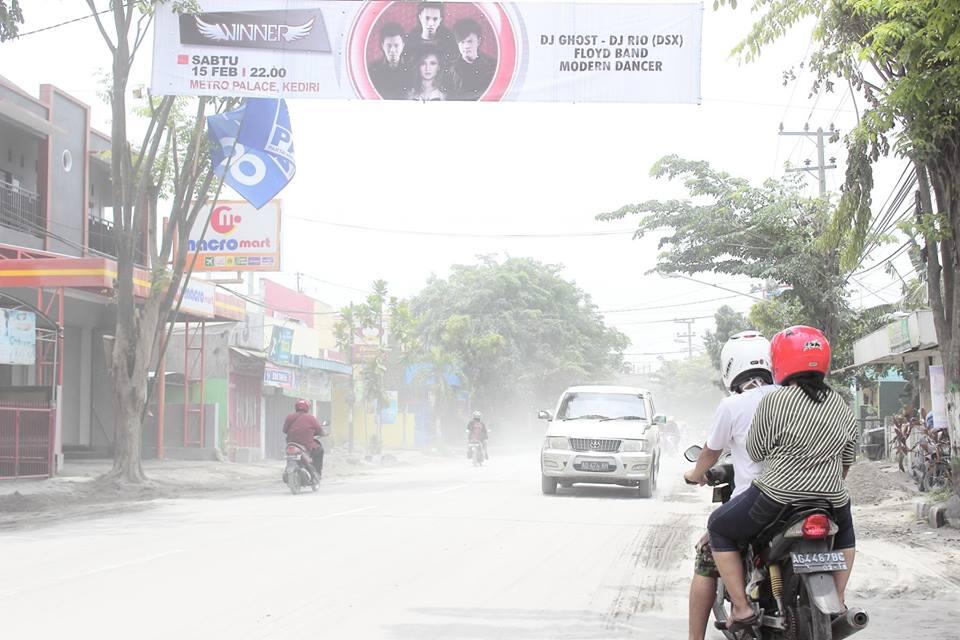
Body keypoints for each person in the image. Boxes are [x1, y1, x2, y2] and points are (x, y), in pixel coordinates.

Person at [707, 326, 859, 631]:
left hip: (776, 497)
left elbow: (756, 450)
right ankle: (838, 600)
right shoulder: (839, 403)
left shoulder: (774, 401)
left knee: (718, 527)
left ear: (779, 362)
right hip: (830, 498)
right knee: (846, 535)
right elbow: (847, 458)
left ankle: (740, 607)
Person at [683, 331, 777, 640]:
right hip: (805, 499)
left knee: (709, 550)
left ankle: (734, 612)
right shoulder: (791, 397)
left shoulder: (732, 405)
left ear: (730, 367)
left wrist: (695, 474)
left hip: (757, 501)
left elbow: (711, 452)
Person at [283, 399, 328, 484]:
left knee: (289, 456)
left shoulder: (289, 417)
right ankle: (317, 474)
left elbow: (285, 430)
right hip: (306, 445)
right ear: (307, 408)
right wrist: (324, 434)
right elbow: (320, 431)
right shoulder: (311, 418)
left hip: (291, 443)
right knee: (320, 450)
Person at [449, 18, 496, 100]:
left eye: (470, 41)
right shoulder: (450, 68)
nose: (466, 46)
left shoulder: (492, 66)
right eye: (462, 42)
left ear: (478, 41)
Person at [368, 22, 409, 100]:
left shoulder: (411, 68)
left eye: (396, 45)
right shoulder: (374, 69)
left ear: (403, 45)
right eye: (389, 46)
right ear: (382, 45)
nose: (392, 50)